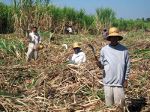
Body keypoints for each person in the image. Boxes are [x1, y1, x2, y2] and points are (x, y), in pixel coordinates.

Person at [97, 27, 130, 107]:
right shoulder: (104, 50)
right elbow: (102, 66)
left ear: (118, 38)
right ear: (109, 38)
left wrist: (126, 78)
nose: (114, 39)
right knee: (109, 106)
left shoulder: (124, 50)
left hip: (119, 83)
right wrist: (99, 65)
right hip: (107, 82)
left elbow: (127, 65)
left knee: (120, 107)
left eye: (116, 37)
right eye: (112, 37)